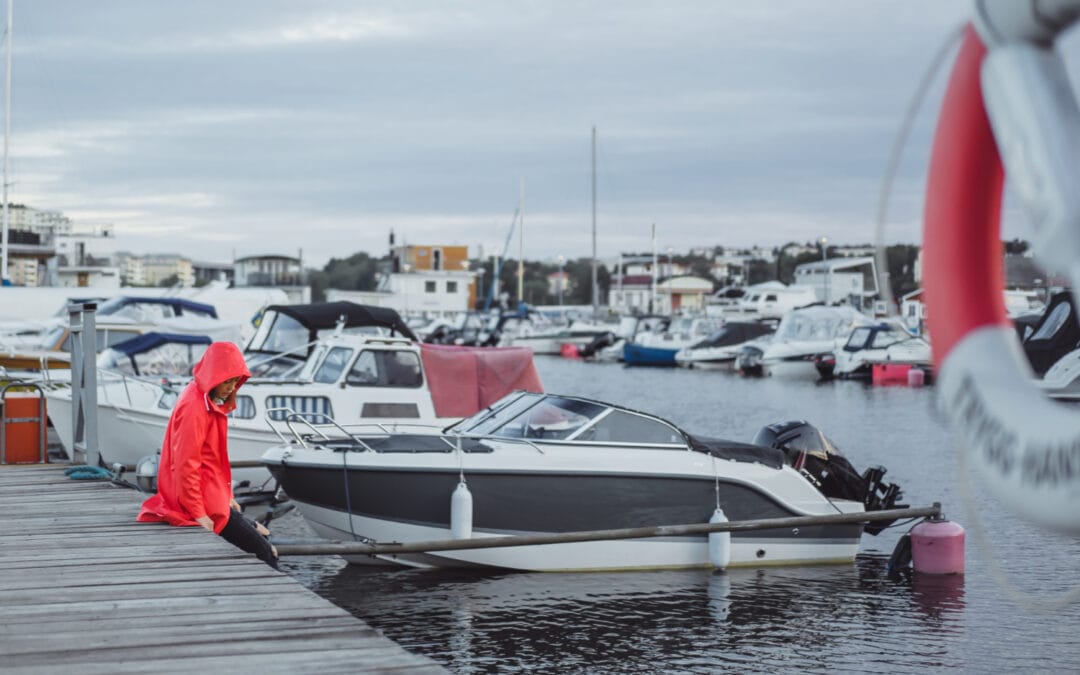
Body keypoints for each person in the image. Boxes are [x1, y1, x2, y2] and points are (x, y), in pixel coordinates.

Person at [137, 341, 278, 568]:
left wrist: (228, 495)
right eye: (228, 381)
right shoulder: (195, 407)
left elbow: (213, 460)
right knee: (266, 552)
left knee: (264, 535)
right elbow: (186, 465)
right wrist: (198, 513)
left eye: (235, 381)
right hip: (202, 502)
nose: (232, 388)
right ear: (214, 375)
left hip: (213, 495)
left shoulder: (208, 399)